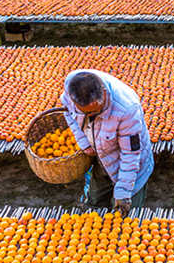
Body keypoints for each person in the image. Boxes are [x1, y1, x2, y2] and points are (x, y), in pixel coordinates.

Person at [60, 70, 154, 216]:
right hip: (102, 156)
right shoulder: (71, 89)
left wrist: (123, 193)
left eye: (94, 112)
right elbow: (68, 114)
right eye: (85, 113)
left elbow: (130, 154)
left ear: (104, 94)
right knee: (94, 206)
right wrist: (84, 142)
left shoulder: (127, 108)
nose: (90, 117)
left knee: (125, 217)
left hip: (131, 165)